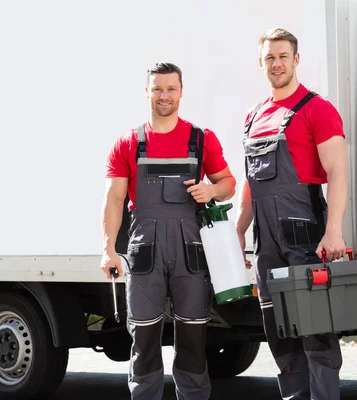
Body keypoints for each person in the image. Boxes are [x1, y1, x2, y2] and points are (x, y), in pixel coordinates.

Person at [100, 62, 236, 400]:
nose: (164, 96)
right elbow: (114, 199)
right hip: (144, 254)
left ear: (181, 92)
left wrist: (211, 191)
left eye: (171, 89)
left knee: (192, 338)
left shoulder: (200, 139)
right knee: (144, 338)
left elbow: (229, 183)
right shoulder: (128, 142)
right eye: (158, 89)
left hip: (190, 254)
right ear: (147, 91)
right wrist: (108, 248)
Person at [235, 27, 348, 399]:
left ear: (296, 60)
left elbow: (338, 171)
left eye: (283, 56)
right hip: (266, 241)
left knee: (315, 330)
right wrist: (240, 228)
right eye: (270, 57)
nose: (277, 63)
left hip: (305, 235)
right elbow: (252, 180)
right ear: (261, 63)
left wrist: (334, 232)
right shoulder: (253, 115)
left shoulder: (318, 109)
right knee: (279, 332)